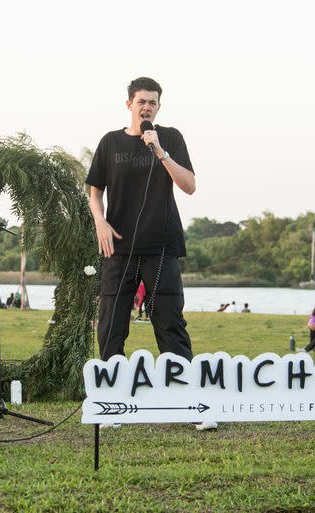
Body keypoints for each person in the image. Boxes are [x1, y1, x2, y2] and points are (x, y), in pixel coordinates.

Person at [86, 77, 195, 363]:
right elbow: (94, 193)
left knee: (170, 323)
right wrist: (100, 222)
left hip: (161, 245)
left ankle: (181, 389)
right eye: (141, 102)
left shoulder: (170, 138)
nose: (147, 108)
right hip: (118, 248)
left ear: (159, 107)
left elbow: (189, 185)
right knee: (110, 326)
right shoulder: (111, 141)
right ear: (129, 104)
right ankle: (112, 390)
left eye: (152, 103)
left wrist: (160, 152)